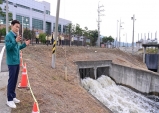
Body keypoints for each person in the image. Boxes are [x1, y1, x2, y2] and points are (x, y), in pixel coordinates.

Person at [5, 20, 30, 108]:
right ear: (12, 26)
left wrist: (25, 44)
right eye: (16, 26)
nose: (17, 28)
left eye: (18, 27)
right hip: (11, 62)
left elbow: (17, 47)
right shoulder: (8, 36)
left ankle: (13, 96)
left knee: (15, 80)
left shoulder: (16, 36)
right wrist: (15, 41)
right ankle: (9, 100)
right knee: (11, 80)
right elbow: (8, 48)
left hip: (16, 62)